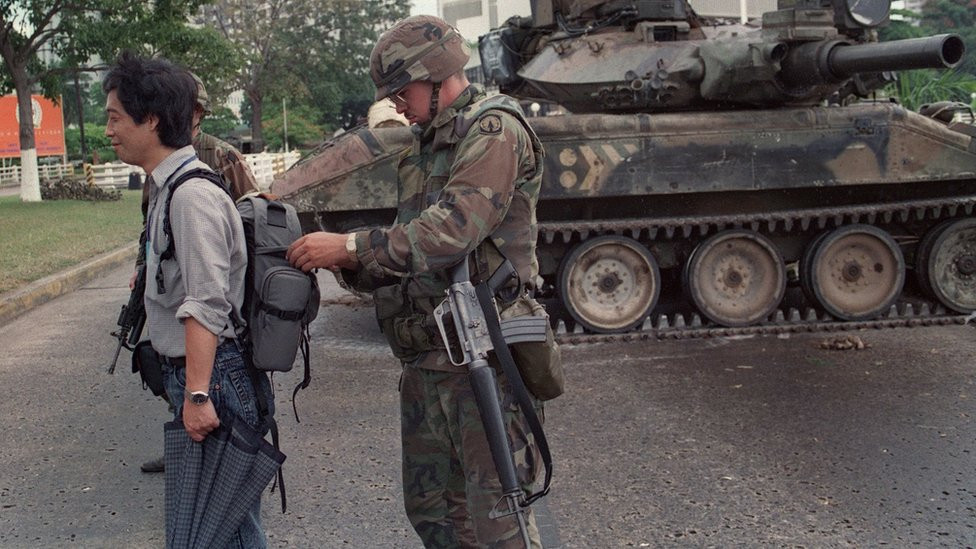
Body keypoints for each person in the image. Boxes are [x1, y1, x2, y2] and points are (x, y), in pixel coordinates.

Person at [286, 15, 547, 548]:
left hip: (482, 361)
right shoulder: (424, 146)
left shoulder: (493, 131)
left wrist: (351, 245)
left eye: (402, 92)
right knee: (434, 514)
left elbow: (452, 230)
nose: (397, 104)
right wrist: (347, 264)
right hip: (427, 362)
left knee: (499, 521)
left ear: (436, 75)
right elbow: (412, 250)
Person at [104, 52, 271, 546]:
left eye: (115, 117)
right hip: (200, 376)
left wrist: (198, 395)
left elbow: (206, 303)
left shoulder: (191, 196)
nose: (108, 130)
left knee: (225, 532)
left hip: (213, 379)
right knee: (212, 529)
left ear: (152, 120)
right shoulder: (167, 187)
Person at [137, 73, 259, 474]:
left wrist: (199, 396)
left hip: (215, 340)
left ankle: (191, 415)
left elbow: (252, 211)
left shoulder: (210, 168)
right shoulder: (161, 175)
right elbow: (152, 232)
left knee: (223, 506)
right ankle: (184, 426)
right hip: (185, 302)